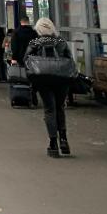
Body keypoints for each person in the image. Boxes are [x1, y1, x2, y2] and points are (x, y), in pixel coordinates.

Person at [24, 18, 75, 158]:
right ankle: (64, 139)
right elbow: (70, 59)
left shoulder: (35, 43)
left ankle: (53, 143)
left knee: (49, 109)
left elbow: (26, 60)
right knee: (60, 108)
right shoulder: (61, 42)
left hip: (43, 80)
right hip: (61, 80)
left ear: (38, 29)